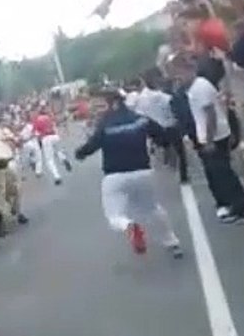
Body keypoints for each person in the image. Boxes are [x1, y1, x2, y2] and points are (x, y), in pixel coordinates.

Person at [74, 88, 184, 259]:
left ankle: (129, 226)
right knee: (152, 208)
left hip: (115, 176)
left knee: (114, 216)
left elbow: (91, 145)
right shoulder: (140, 119)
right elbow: (162, 136)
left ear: (114, 103)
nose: (99, 110)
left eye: (102, 105)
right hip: (143, 172)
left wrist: (79, 153)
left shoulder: (105, 124)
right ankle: (172, 242)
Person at [170, 54, 244, 223]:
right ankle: (234, 205)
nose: (178, 79)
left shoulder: (199, 87)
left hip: (214, 138)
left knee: (224, 174)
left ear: (188, 70)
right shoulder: (194, 88)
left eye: (179, 74)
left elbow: (210, 115)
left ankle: (242, 207)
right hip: (212, 136)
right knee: (219, 174)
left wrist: (208, 140)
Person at [130, 70, 188, 183]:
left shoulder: (139, 100)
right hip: (170, 125)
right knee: (180, 152)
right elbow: (172, 103)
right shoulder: (162, 95)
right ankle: (183, 176)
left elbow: (139, 114)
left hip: (154, 128)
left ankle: (167, 160)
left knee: (164, 146)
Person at [31, 107, 67, 185]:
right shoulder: (49, 118)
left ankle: (57, 176)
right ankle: (63, 158)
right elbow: (55, 126)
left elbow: (35, 133)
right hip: (55, 137)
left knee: (49, 160)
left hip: (46, 138)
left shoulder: (36, 120)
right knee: (57, 149)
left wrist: (39, 143)